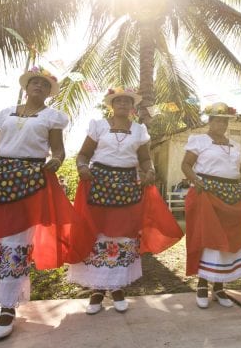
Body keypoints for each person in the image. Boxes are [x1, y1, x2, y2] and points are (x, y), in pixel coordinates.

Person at [0, 67, 73, 340]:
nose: (38, 87)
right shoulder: (6, 113)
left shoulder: (52, 118)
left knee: (16, 242)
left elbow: (58, 149)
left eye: (44, 84)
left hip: (28, 180)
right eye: (34, 82)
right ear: (26, 86)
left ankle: (8, 307)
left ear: (49, 91)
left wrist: (56, 161)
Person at [68, 87, 183, 314]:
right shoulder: (98, 126)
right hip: (98, 182)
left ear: (132, 107)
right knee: (99, 234)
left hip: (128, 184)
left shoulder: (140, 130)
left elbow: (145, 159)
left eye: (126, 101)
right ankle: (97, 291)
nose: (122, 104)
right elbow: (84, 155)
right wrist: (82, 167)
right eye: (118, 100)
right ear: (111, 104)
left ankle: (118, 288)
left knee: (123, 235)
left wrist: (149, 171)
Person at [181, 102, 241, 309]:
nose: (221, 123)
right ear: (209, 121)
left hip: (231, 195)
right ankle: (202, 285)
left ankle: (219, 287)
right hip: (206, 193)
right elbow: (186, 165)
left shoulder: (235, 145)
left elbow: (240, 173)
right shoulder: (199, 141)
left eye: (225, 120)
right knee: (208, 238)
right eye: (217, 119)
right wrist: (195, 180)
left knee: (228, 239)